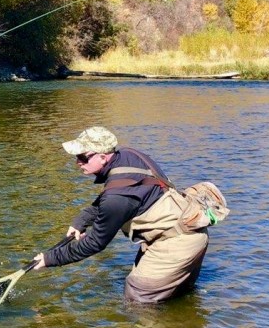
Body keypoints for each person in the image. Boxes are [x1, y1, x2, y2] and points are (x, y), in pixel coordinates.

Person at [31, 126, 209, 303]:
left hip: (176, 244)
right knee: (181, 299)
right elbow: (120, 194)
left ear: (102, 156)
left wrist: (50, 259)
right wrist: (82, 220)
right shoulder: (129, 156)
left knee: (137, 297)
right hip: (192, 233)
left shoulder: (116, 199)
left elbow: (94, 243)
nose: (78, 162)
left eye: (83, 157)